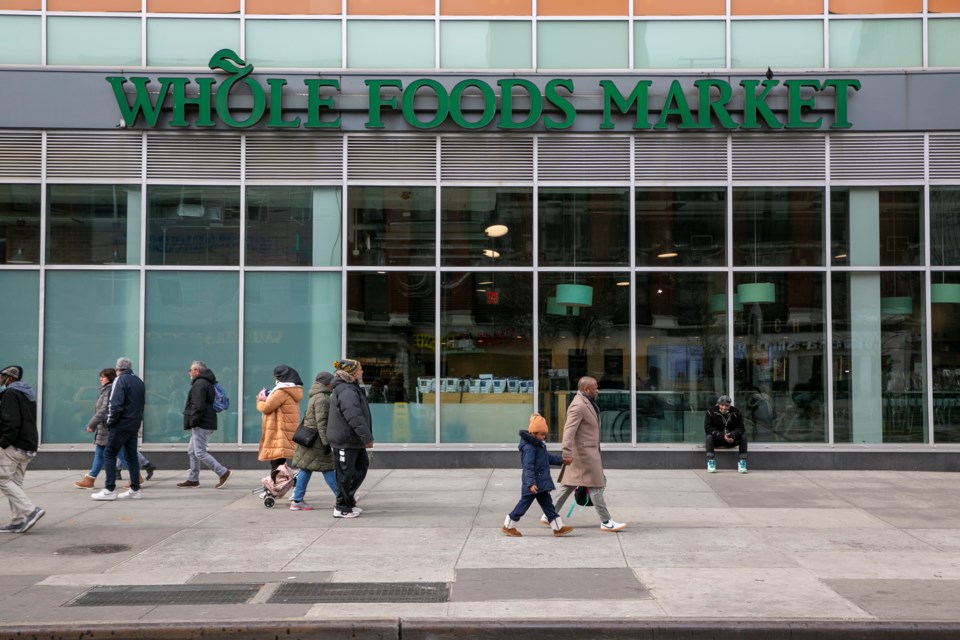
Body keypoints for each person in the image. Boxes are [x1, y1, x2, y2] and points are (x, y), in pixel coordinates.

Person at [545, 376, 626, 533]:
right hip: (584, 454)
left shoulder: (587, 402)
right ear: (586, 389)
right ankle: (606, 521)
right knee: (597, 485)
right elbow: (568, 430)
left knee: (569, 485)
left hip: (586, 451)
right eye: (595, 387)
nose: (598, 390)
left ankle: (548, 514)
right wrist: (566, 452)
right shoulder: (579, 405)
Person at [502, 413, 573, 537]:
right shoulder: (529, 448)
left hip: (540, 483)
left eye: (545, 434)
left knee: (548, 505)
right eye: (542, 434)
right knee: (523, 505)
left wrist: (562, 461)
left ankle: (558, 527)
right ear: (533, 433)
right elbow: (528, 467)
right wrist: (531, 483)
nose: (544, 436)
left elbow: (547, 458)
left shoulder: (538, 445)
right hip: (533, 484)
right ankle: (508, 525)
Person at [91, 357, 146, 501]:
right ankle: (135, 489)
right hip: (133, 424)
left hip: (120, 424)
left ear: (117, 369)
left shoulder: (119, 380)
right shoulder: (139, 381)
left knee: (109, 454)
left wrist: (110, 422)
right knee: (131, 456)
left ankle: (109, 489)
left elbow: (115, 403)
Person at [0, 365, 44, 533]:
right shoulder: (27, 393)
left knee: (3, 479)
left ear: (10, 379)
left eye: (2, 376)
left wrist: (3, 443)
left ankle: (30, 511)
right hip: (28, 445)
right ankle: (18, 520)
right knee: (15, 484)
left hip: (14, 445)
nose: (1, 380)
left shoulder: (11, 394)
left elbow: (11, 422)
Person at [327, 358, 373, 519]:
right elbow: (354, 416)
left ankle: (348, 501)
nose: (362, 372)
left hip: (352, 439)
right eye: (360, 369)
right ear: (352, 372)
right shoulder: (346, 390)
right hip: (345, 439)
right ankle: (342, 507)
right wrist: (367, 437)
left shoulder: (350, 388)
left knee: (360, 467)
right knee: (345, 473)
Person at [177, 361, 231, 489]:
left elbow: (198, 405)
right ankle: (193, 479)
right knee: (192, 451)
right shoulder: (206, 382)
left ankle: (222, 472)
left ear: (196, 371)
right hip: (205, 421)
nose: (189, 372)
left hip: (202, 423)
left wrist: (192, 421)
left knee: (200, 452)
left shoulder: (200, 384)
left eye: (190, 370)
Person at [289, 371, 338, 511]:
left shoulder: (316, 396)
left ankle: (297, 500)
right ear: (327, 383)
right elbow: (321, 423)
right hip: (317, 442)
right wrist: (326, 443)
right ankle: (343, 497)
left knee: (306, 468)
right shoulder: (322, 398)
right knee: (328, 468)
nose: (333, 384)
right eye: (332, 381)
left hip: (309, 440)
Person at [255, 364, 303, 472]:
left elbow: (267, 408)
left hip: (279, 432)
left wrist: (259, 401)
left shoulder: (281, 392)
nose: (275, 379)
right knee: (279, 464)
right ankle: (280, 484)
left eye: (276, 377)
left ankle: (278, 485)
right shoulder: (291, 390)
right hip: (285, 430)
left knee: (277, 465)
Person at [704, 394, 748, 473]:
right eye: (722, 405)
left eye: (727, 405)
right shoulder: (710, 412)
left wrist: (733, 435)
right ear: (718, 404)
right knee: (709, 437)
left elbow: (741, 428)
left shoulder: (736, 412)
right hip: (718, 440)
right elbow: (708, 428)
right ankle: (711, 462)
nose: (724, 407)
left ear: (729, 405)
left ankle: (742, 462)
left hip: (732, 439)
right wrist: (722, 436)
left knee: (743, 436)